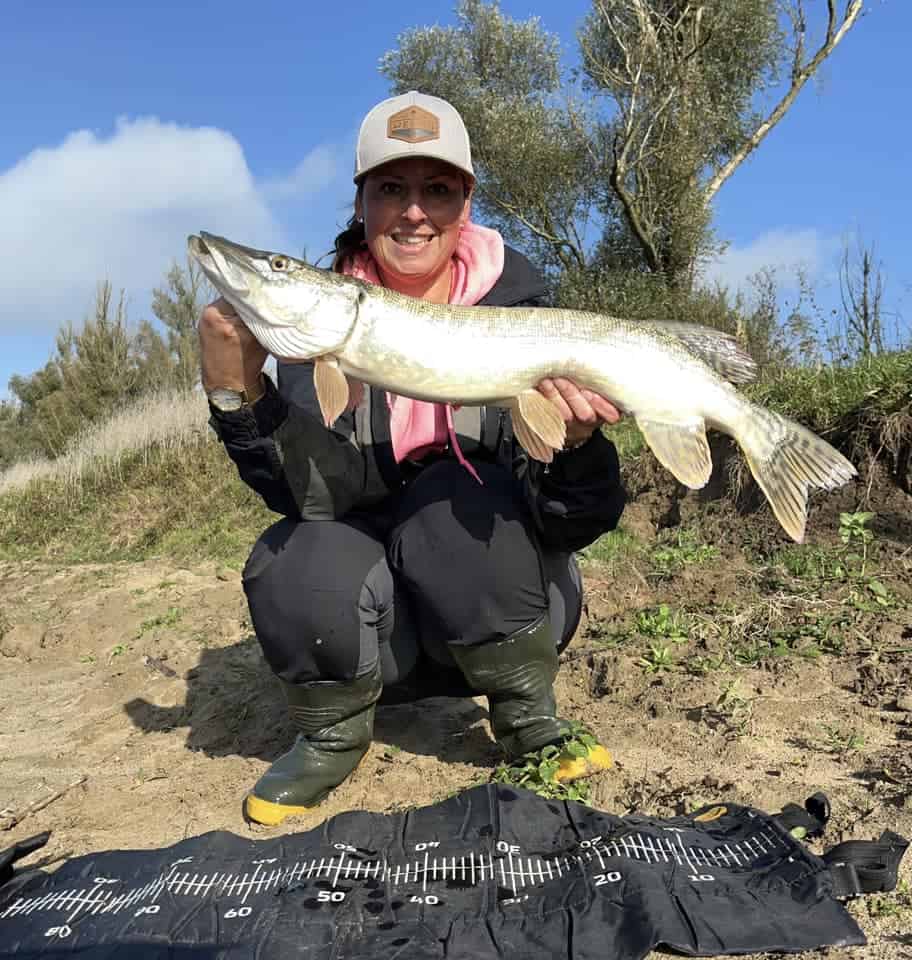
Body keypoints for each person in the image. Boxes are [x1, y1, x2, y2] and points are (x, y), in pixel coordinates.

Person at [198, 91, 627, 826]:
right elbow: (313, 495)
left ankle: (527, 716)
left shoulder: (522, 310)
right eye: (390, 188)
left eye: (438, 189)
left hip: (504, 605)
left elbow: (570, 523)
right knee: (294, 558)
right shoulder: (322, 323)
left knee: (451, 513)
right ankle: (332, 732)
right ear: (362, 202)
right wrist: (241, 398)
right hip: (385, 629)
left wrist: (579, 447)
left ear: (466, 203)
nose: (414, 211)